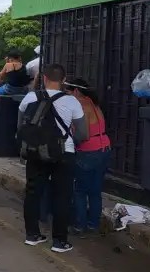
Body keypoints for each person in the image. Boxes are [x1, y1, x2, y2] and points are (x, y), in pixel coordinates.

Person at [18, 64, 88, 253]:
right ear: (63, 80)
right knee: (62, 197)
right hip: (64, 153)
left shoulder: (31, 97)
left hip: (35, 152)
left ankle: (32, 235)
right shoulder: (72, 101)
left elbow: (21, 125)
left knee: (33, 192)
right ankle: (59, 241)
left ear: (44, 78)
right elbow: (83, 132)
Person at [64, 78, 111, 236]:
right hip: (104, 148)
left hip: (88, 152)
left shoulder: (81, 106)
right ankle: (93, 224)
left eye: (68, 92)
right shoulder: (94, 103)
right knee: (95, 191)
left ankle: (80, 225)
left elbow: (83, 134)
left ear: (76, 91)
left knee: (80, 190)